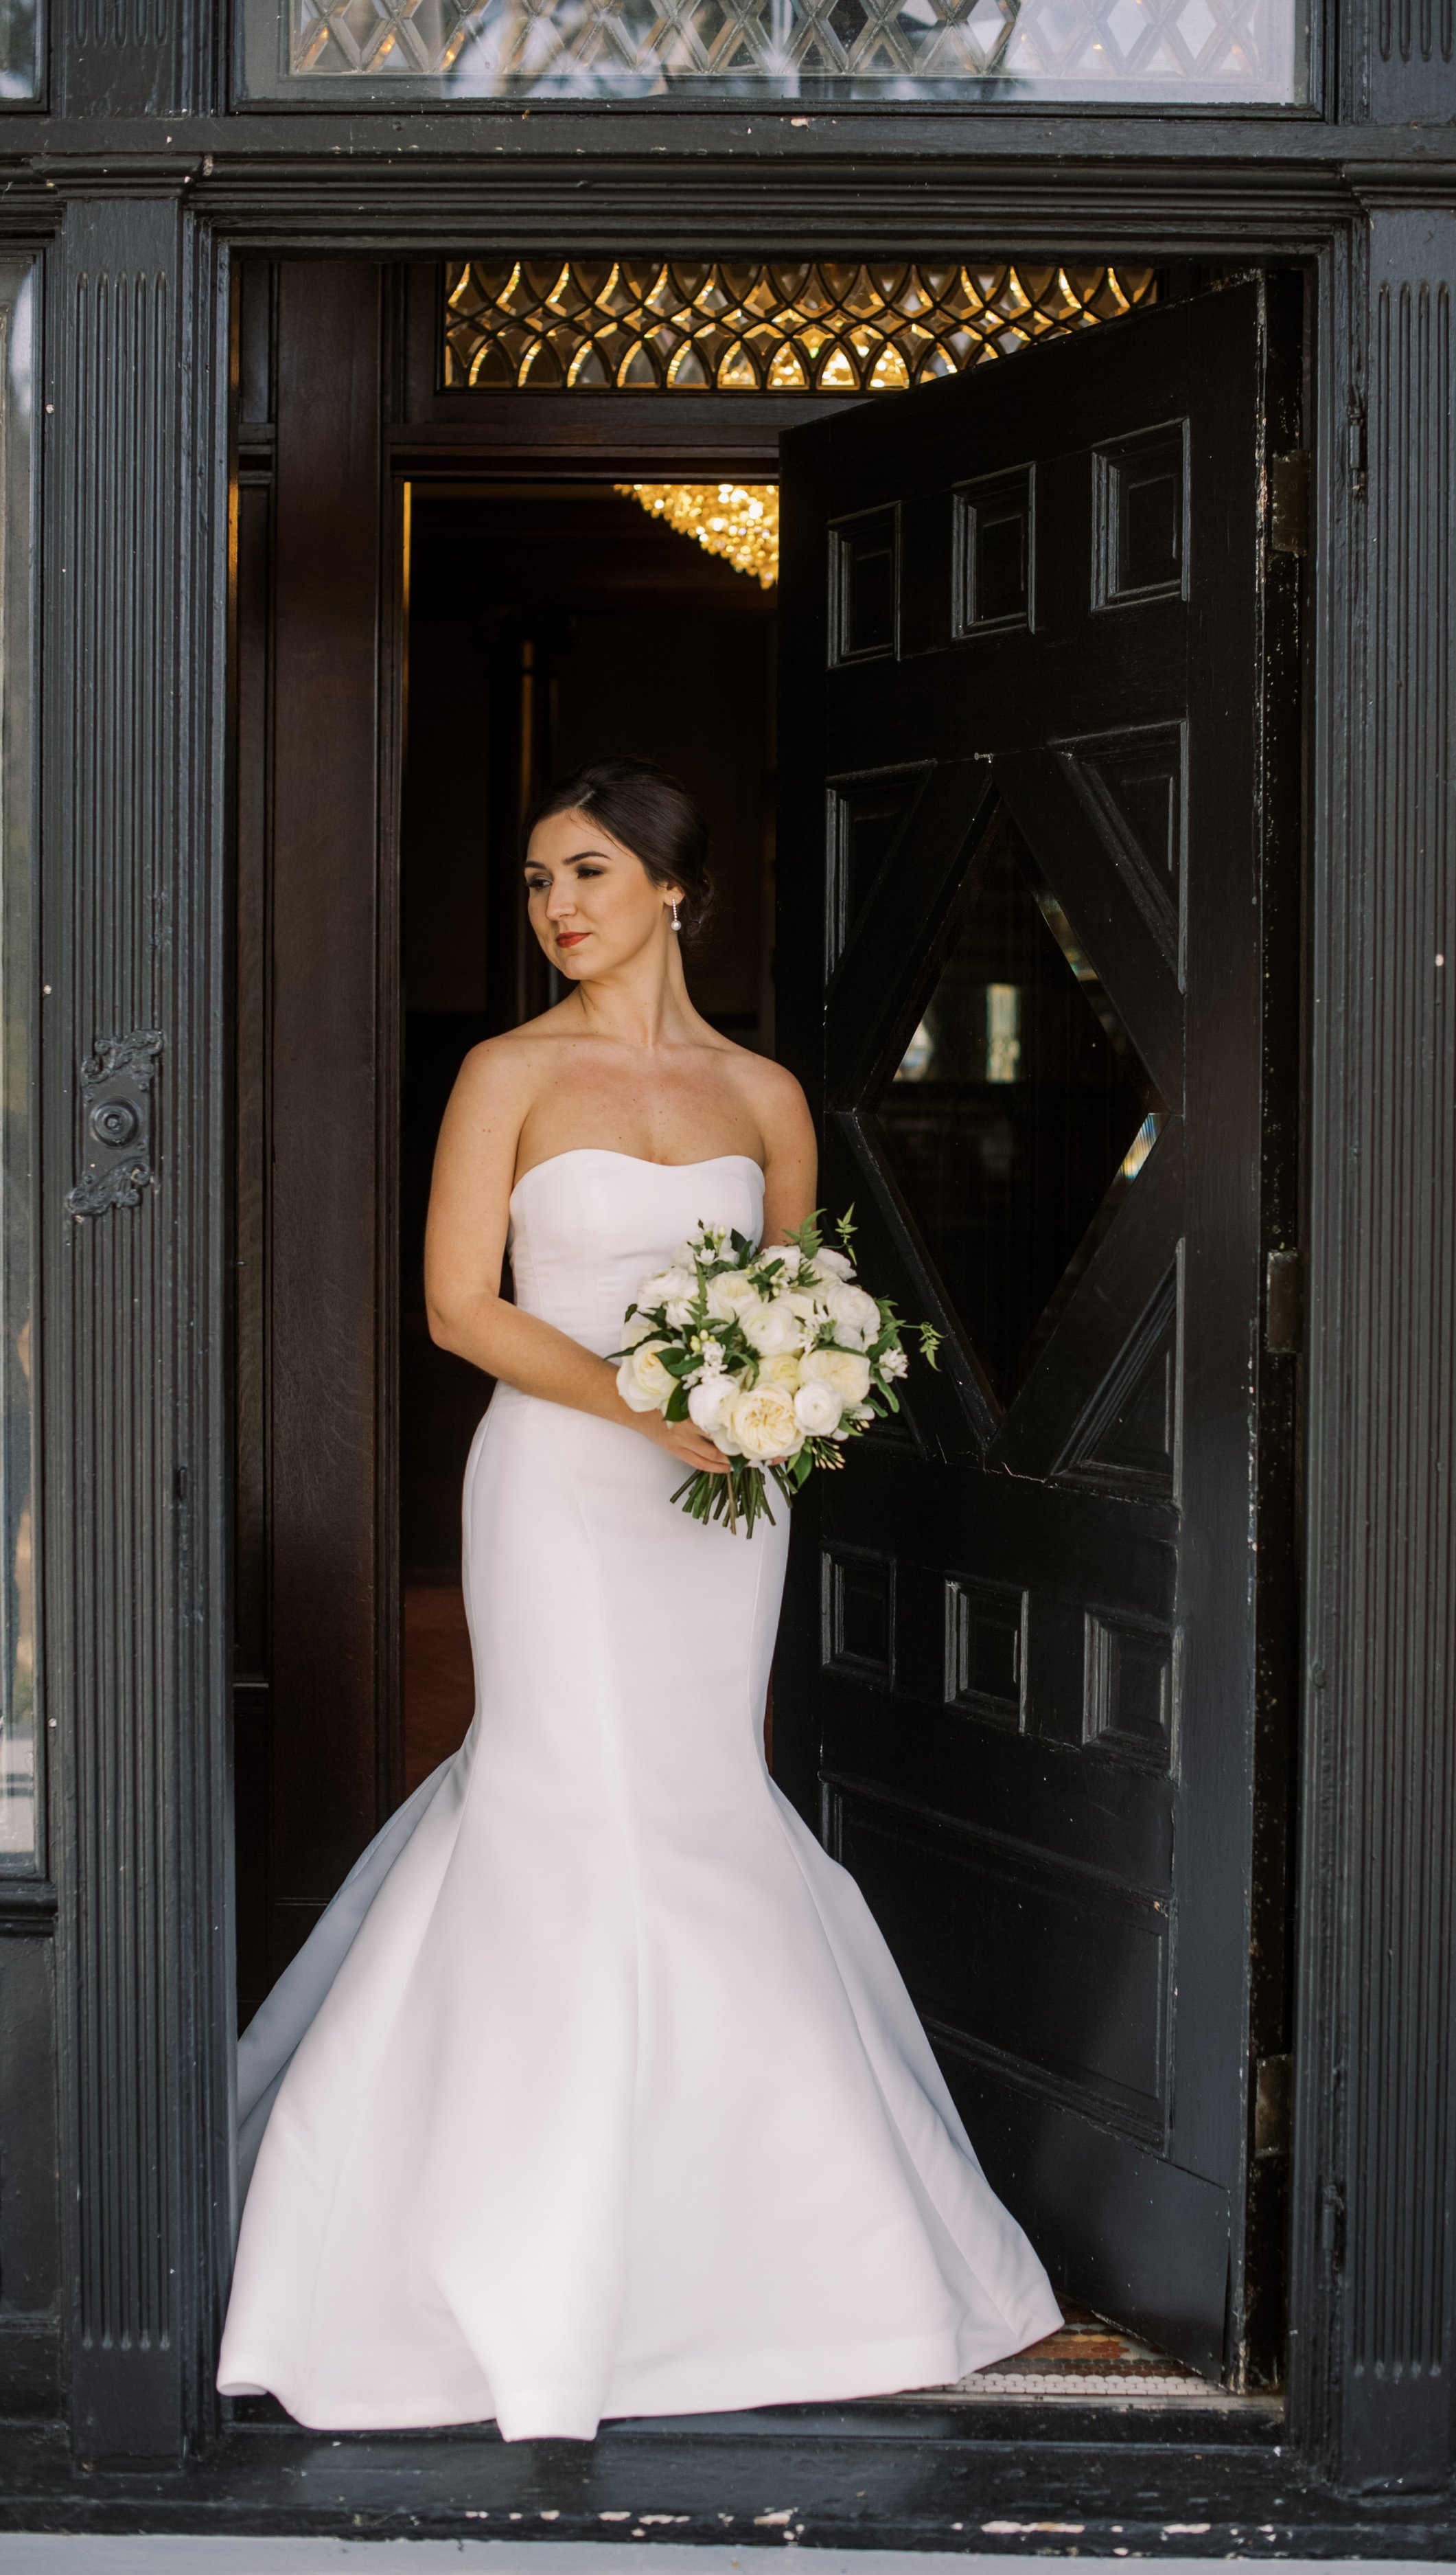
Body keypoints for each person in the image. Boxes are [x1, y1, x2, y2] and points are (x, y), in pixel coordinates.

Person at [217, 756, 1061, 2441]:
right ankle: (496, 2265)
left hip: (719, 1510)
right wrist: (647, 1398)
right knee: (568, 1806)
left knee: (696, 1804)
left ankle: (768, 2259)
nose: (558, 908)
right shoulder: (504, 1074)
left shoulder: (763, 1095)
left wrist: (773, 1404)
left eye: (588, 872)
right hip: (564, 1487)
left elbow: (804, 1301)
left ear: (674, 889)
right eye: (537, 882)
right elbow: (462, 1306)